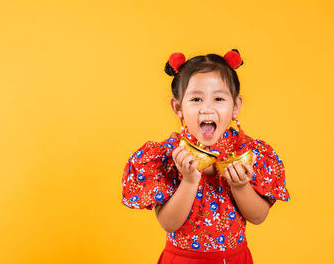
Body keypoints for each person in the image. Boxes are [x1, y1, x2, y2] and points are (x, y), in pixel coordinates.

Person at [121, 49, 290, 263]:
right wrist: (189, 181)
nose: (207, 108)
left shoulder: (247, 153)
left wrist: (240, 186)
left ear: (235, 106)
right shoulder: (168, 155)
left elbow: (258, 217)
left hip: (235, 258)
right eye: (196, 99)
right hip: (183, 259)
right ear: (178, 107)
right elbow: (168, 223)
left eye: (218, 98)